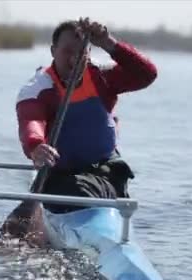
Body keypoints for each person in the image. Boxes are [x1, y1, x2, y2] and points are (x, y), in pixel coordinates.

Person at [15, 17, 158, 214]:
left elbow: (146, 74)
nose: (74, 60)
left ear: (89, 53)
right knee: (77, 191)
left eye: (81, 52)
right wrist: (36, 146)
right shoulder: (38, 88)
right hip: (61, 177)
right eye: (67, 52)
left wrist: (108, 43)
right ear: (52, 51)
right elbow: (31, 120)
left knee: (85, 190)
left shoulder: (101, 76)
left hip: (105, 174)